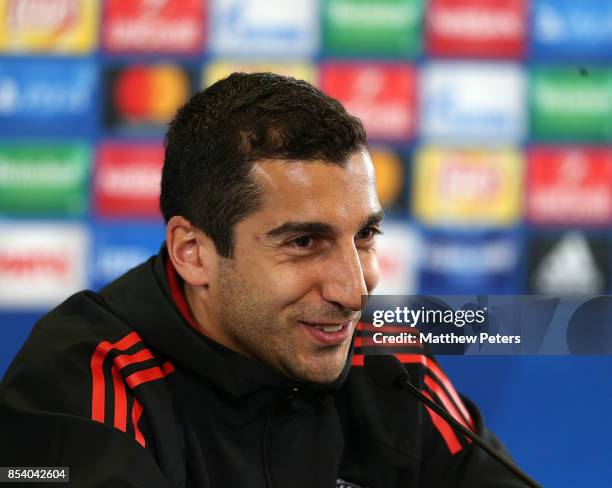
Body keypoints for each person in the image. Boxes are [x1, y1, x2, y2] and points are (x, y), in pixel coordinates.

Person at [0, 73, 529, 487]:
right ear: (193, 253)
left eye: (365, 235)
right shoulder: (88, 376)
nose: (354, 291)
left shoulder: (389, 361)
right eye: (303, 243)